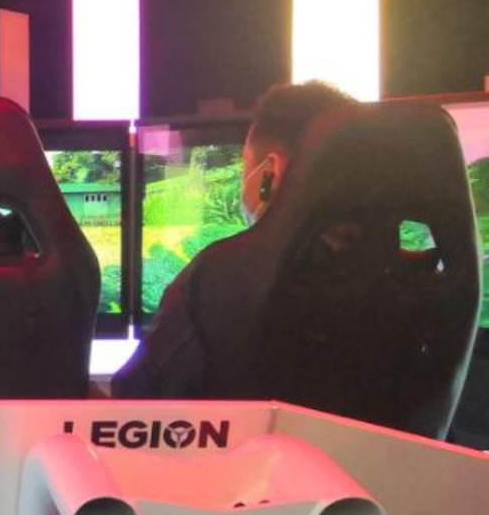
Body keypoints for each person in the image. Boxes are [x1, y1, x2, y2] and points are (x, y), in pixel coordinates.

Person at [112, 80, 356, 399]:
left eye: (245, 167)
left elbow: (139, 399)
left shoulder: (217, 278)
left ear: (270, 173)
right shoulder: (412, 274)